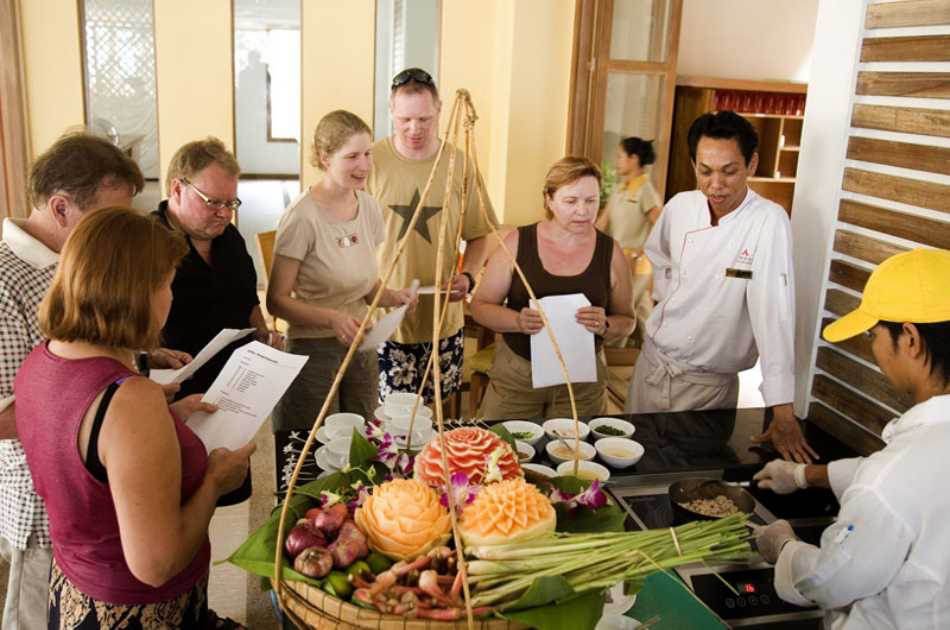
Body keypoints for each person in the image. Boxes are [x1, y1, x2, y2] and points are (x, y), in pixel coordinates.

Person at [15, 207, 254, 628]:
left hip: (73, 592)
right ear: (133, 293)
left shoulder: (41, 360)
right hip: (137, 611)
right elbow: (156, 564)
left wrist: (166, 421)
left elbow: (90, 454)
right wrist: (216, 480)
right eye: (166, 284)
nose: (172, 297)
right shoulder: (129, 399)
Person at [753, 248, 950, 629]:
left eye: (873, 334)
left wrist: (785, 549)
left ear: (909, 338)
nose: (874, 350)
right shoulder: (918, 457)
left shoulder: (892, 478)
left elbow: (830, 580)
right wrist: (804, 475)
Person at [0, 132, 143, 630]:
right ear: (60, 208)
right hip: (46, 501)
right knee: (37, 616)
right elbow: (3, 415)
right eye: (109, 218)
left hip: (97, 483)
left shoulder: (71, 261)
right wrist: (115, 411)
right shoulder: (4, 281)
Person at [623, 111, 815, 464]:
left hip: (708, 389)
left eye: (729, 171)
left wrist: (782, 410)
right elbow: (659, 257)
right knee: (634, 471)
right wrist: (674, 304)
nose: (716, 184)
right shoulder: (681, 206)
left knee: (690, 483)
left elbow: (774, 313)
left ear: (752, 163)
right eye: (705, 171)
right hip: (651, 370)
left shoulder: (767, 221)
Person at [268, 111, 415, 431]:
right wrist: (333, 318)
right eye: (352, 156)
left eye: (367, 154)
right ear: (324, 158)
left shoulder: (370, 208)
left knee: (362, 437)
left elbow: (365, 284)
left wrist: (394, 297)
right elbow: (276, 302)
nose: (364, 165)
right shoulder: (302, 218)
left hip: (361, 343)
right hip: (313, 346)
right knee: (314, 439)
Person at [153, 137, 277, 504]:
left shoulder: (229, 238)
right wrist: (153, 351)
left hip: (237, 388)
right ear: (177, 188)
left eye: (231, 203)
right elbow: (124, 328)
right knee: (183, 495)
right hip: (178, 394)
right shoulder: (148, 243)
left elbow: (246, 296)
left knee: (231, 485)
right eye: (214, 202)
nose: (225, 213)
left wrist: (264, 333)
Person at [366, 68, 498, 406]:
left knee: (439, 419)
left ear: (439, 110)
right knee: (390, 427)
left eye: (424, 119)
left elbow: (481, 233)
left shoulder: (459, 162)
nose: (414, 129)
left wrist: (468, 275)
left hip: (443, 321)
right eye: (405, 118)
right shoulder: (371, 162)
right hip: (385, 323)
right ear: (391, 111)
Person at [471, 157, 635, 419]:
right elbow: (479, 306)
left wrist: (605, 325)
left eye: (591, 201)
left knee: (576, 456)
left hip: (583, 382)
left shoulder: (610, 251)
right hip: (518, 375)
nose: (583, 211)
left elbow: (628, 321)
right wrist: (516, 321)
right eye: (571, 201)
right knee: (502, 449)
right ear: (549, 199)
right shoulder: (517, 242)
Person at [597, 137, 661, 346]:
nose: (616, 161)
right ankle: (658, 351)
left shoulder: (645, 191)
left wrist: (639, 252)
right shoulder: (620, 189)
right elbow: (602, 222)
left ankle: (613, 356)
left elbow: (661, 227)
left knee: (622, 312)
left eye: (620, 156)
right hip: (617, 261)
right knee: (642, 311)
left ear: (634, 159)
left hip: (636, 263)